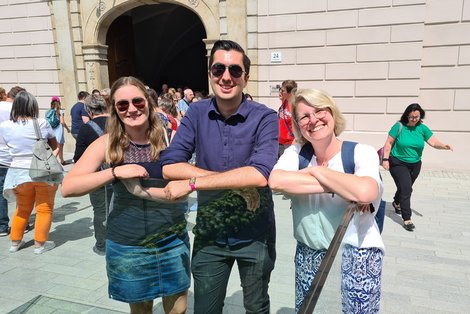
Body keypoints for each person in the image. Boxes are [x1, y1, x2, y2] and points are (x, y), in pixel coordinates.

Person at [159, 39, 279, 314]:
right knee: (205, 309)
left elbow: (259, 174)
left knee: (256, 307)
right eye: (219, 69)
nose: (226, 77)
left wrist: (192, 182)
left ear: (246, 78)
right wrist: (238, 184)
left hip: (255, 233)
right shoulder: (197, 113)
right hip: (210, 233)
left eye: (235, 71)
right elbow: (169, 164)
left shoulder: (265, 117)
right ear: (210, 73)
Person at [61, 76, 190, 314]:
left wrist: (149, 191)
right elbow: (68, 187)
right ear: (115, 110)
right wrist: (114, 172)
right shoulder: (107, 143)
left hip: (171, 237)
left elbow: (186, 183)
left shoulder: (170, 136)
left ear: (148, 102)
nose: (132, 109)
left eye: (137, 101)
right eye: (123, 105)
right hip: (129, 243)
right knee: (141, 310)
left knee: (178, 310)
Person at [269, 88, 385, 313]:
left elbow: (365, 191)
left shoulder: (361, 152)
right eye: (304, 116)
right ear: (298, 124)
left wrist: (317, 173)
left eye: (320, 110)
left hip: (357, 257)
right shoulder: (297, 153)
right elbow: (275, 181)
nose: (313, 120)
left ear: (332, 113)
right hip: (308, 254)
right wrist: (344, 185)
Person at [0, 91, 59, 254]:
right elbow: (55, 146)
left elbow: (5, 147)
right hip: (42, 171)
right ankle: (40, 244)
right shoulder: (41, 123)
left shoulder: (5, 126)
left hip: (18, 172)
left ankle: (15, 242)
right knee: (44, 208)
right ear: (33, 106)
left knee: (22, 208)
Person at [381, 103, 453, 231]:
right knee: (406, 188)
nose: (414, 119)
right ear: (407, 115)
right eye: (412, 116)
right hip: (398, 162)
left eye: (417, 117)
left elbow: (433, 142)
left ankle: (396, 202)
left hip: (415, 164)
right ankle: (407, 218)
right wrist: (385, 159)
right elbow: (389, 143)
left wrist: (444, 146)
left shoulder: (422, 129)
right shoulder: (399, 126)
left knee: (405, 187)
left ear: (420, 116)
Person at [73, 94, 110, 256]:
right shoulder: (120, 124)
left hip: (97, 177)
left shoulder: (86, 129)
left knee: (100, 210)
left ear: (88, 110)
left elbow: (78, 158)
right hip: (120, 174)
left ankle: (102, 245)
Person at [0, 86, 27, 237]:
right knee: (21, 190)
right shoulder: (15, 108)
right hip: (14, 155)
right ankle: (23, 222)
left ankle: (2, 226)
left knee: (0, 191)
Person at [47, 96, 71, 164]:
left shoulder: (49, 111)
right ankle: (52, 161)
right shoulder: (60, 111)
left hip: (52, 130)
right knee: (59, 146)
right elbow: (62, 122)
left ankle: (62, 160)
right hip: (59, 130)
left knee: (57, 146)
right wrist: (67, 129)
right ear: (59, 103)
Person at [278, 80, 297, 157]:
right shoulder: (284, 102)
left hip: (290, 143)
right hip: (280, 143)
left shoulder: (295, 106)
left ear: (290, 93)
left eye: (283, 90)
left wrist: (294, 144)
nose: (280, 92)